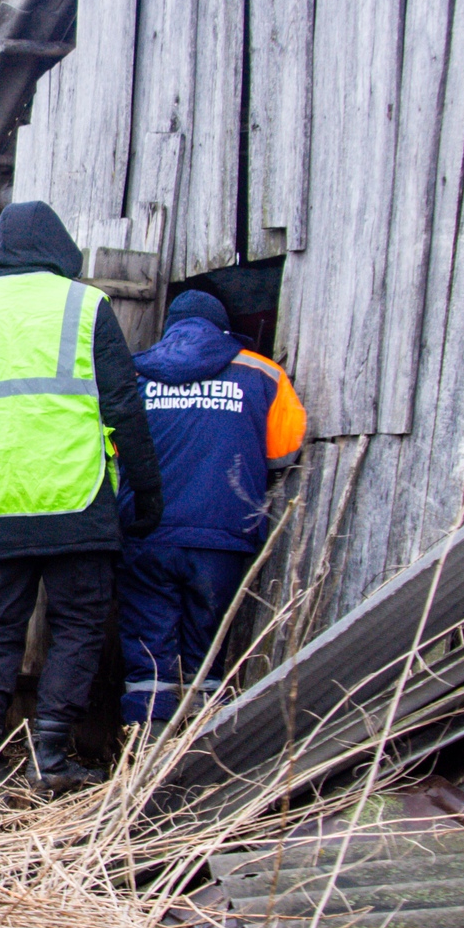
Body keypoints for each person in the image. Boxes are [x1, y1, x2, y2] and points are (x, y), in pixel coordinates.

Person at [0, 202, 162, 793]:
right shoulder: (86, 306)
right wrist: (147, 493)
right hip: (76, 499)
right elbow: (124, 408)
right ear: (61, 248)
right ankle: (50, 760)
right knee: (79, 625)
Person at [119, 289, 306, 729]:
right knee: (205, 647)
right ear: (222, 326)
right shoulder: (264, 373)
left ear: (170, 328)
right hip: (223, 536)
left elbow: (107, 446)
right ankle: (202, 749)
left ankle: (145, 749)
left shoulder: (134, 373)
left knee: (149, 647)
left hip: (147, 533)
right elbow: (285, 451)